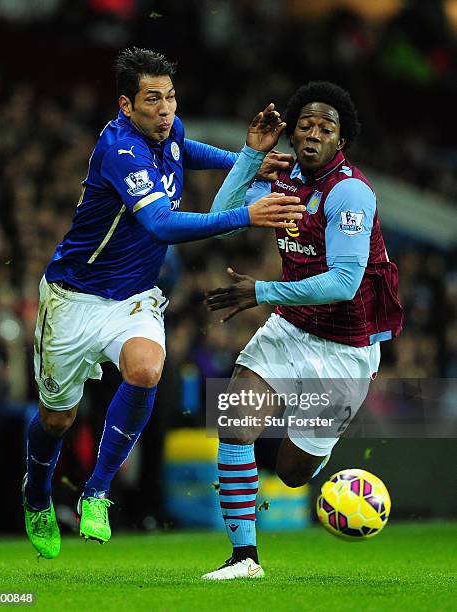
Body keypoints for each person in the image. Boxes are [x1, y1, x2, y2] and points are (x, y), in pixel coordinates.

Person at [22, 46, 304, 560]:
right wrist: (247, 214)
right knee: (56, 420)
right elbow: (162, 225)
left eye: (171, 96)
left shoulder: (165, 130)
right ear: (126, 105)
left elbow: (187, 151)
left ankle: (97, 492)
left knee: (147, 369)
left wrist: (249, 162)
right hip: (72, 300)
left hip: (132, 297)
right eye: (153, 99)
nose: (166, 108)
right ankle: (36, 494)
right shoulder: (120, 151)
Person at [204, 81, 404, 579]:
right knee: (234, 423)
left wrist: (262, 292)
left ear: (342, 140)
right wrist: (251, 156)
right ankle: (244, 558)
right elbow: (221, 220)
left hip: (345, 348)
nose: (314, 133)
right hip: (289, 328)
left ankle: (324, 453)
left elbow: (343, 282)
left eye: (327, 128)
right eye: (306, 125)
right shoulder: (283, 177)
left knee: (292, 474)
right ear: (292, 131)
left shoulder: (351, 192)